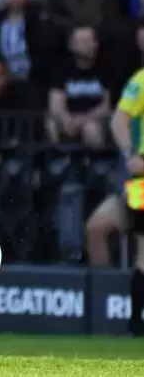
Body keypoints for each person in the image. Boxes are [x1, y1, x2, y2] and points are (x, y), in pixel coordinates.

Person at [110, 67, 144, 336]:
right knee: (143, 251)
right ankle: (135, 321)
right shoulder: (141, 79)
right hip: (143, 176)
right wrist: (129, 153)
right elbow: (119, 119)